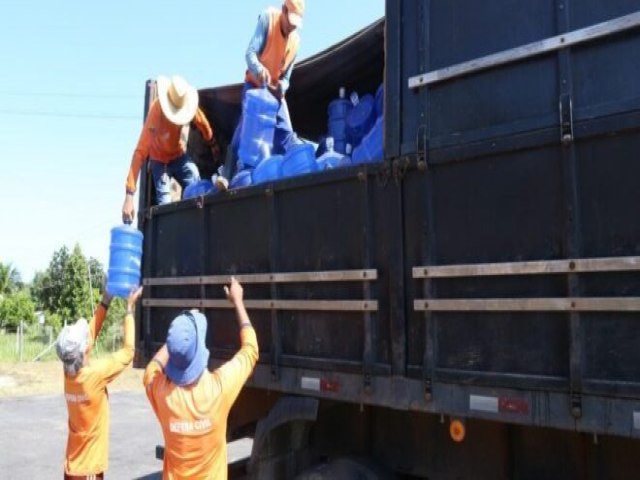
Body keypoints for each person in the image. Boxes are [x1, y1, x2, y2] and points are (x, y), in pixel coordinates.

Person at [143, 277, 258, 479]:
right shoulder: (218, 389)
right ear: (201, 351)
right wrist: (238, 301)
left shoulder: (161, 393)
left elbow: (152, 367)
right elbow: (251, 350)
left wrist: (177, 341)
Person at [215, 0, 305, 191]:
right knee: (245, 127)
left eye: (295, 25)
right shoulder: (268, 19)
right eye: (290, 22)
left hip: (274, 91)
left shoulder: (295, 41)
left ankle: (292, 170)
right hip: (255, 85)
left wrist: (283, 85)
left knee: (286, 131)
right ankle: (228, 173)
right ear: (283, 10)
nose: (291, 28)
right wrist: (259, 69)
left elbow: (287, 75)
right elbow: (250, 54)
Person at [56, 286, 143, 480]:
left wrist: (105, 300)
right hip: (89, 470)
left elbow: (88, 338)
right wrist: (129, 310)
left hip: (72, 465)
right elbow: (129, 352)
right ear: (84, 349)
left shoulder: (68, 373)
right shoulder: (94, 376)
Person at [122, 75, 219, 222]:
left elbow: (202, 123)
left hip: (177, 156)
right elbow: (140, 152)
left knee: (194, 176)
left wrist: (212, 143)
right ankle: (171, 226)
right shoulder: (156, 112)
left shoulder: (187, 105)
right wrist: (129, 195)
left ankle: (195, 220)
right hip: (159, 162)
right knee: (165, 204)